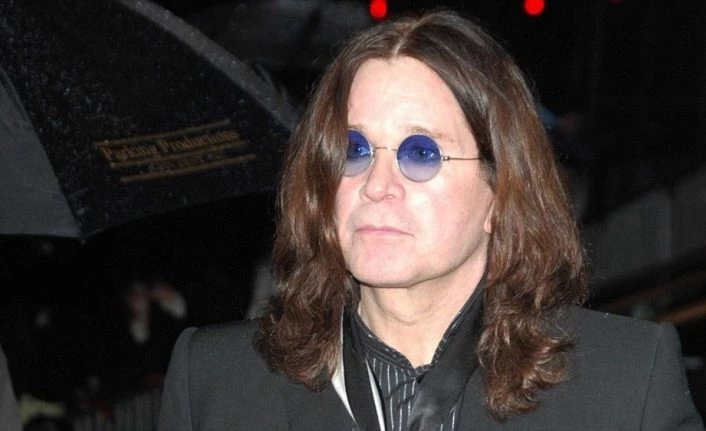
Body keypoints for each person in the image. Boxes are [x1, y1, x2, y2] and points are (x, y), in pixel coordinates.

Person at [158, 10, 704, 430]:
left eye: (420, 154)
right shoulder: (214, 381)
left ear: (500, 193)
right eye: (353, 149)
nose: (376, 185)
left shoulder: (626, 382)